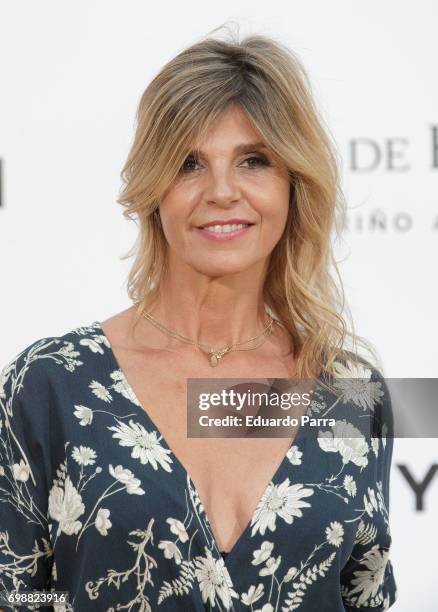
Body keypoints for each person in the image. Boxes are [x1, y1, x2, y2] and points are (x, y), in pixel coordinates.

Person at [0, 28, 397, 611]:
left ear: (294, 184)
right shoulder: (50, 384)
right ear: (152, 188)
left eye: (253, 161)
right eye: (189, 164)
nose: (221, 191)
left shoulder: (350, 395)